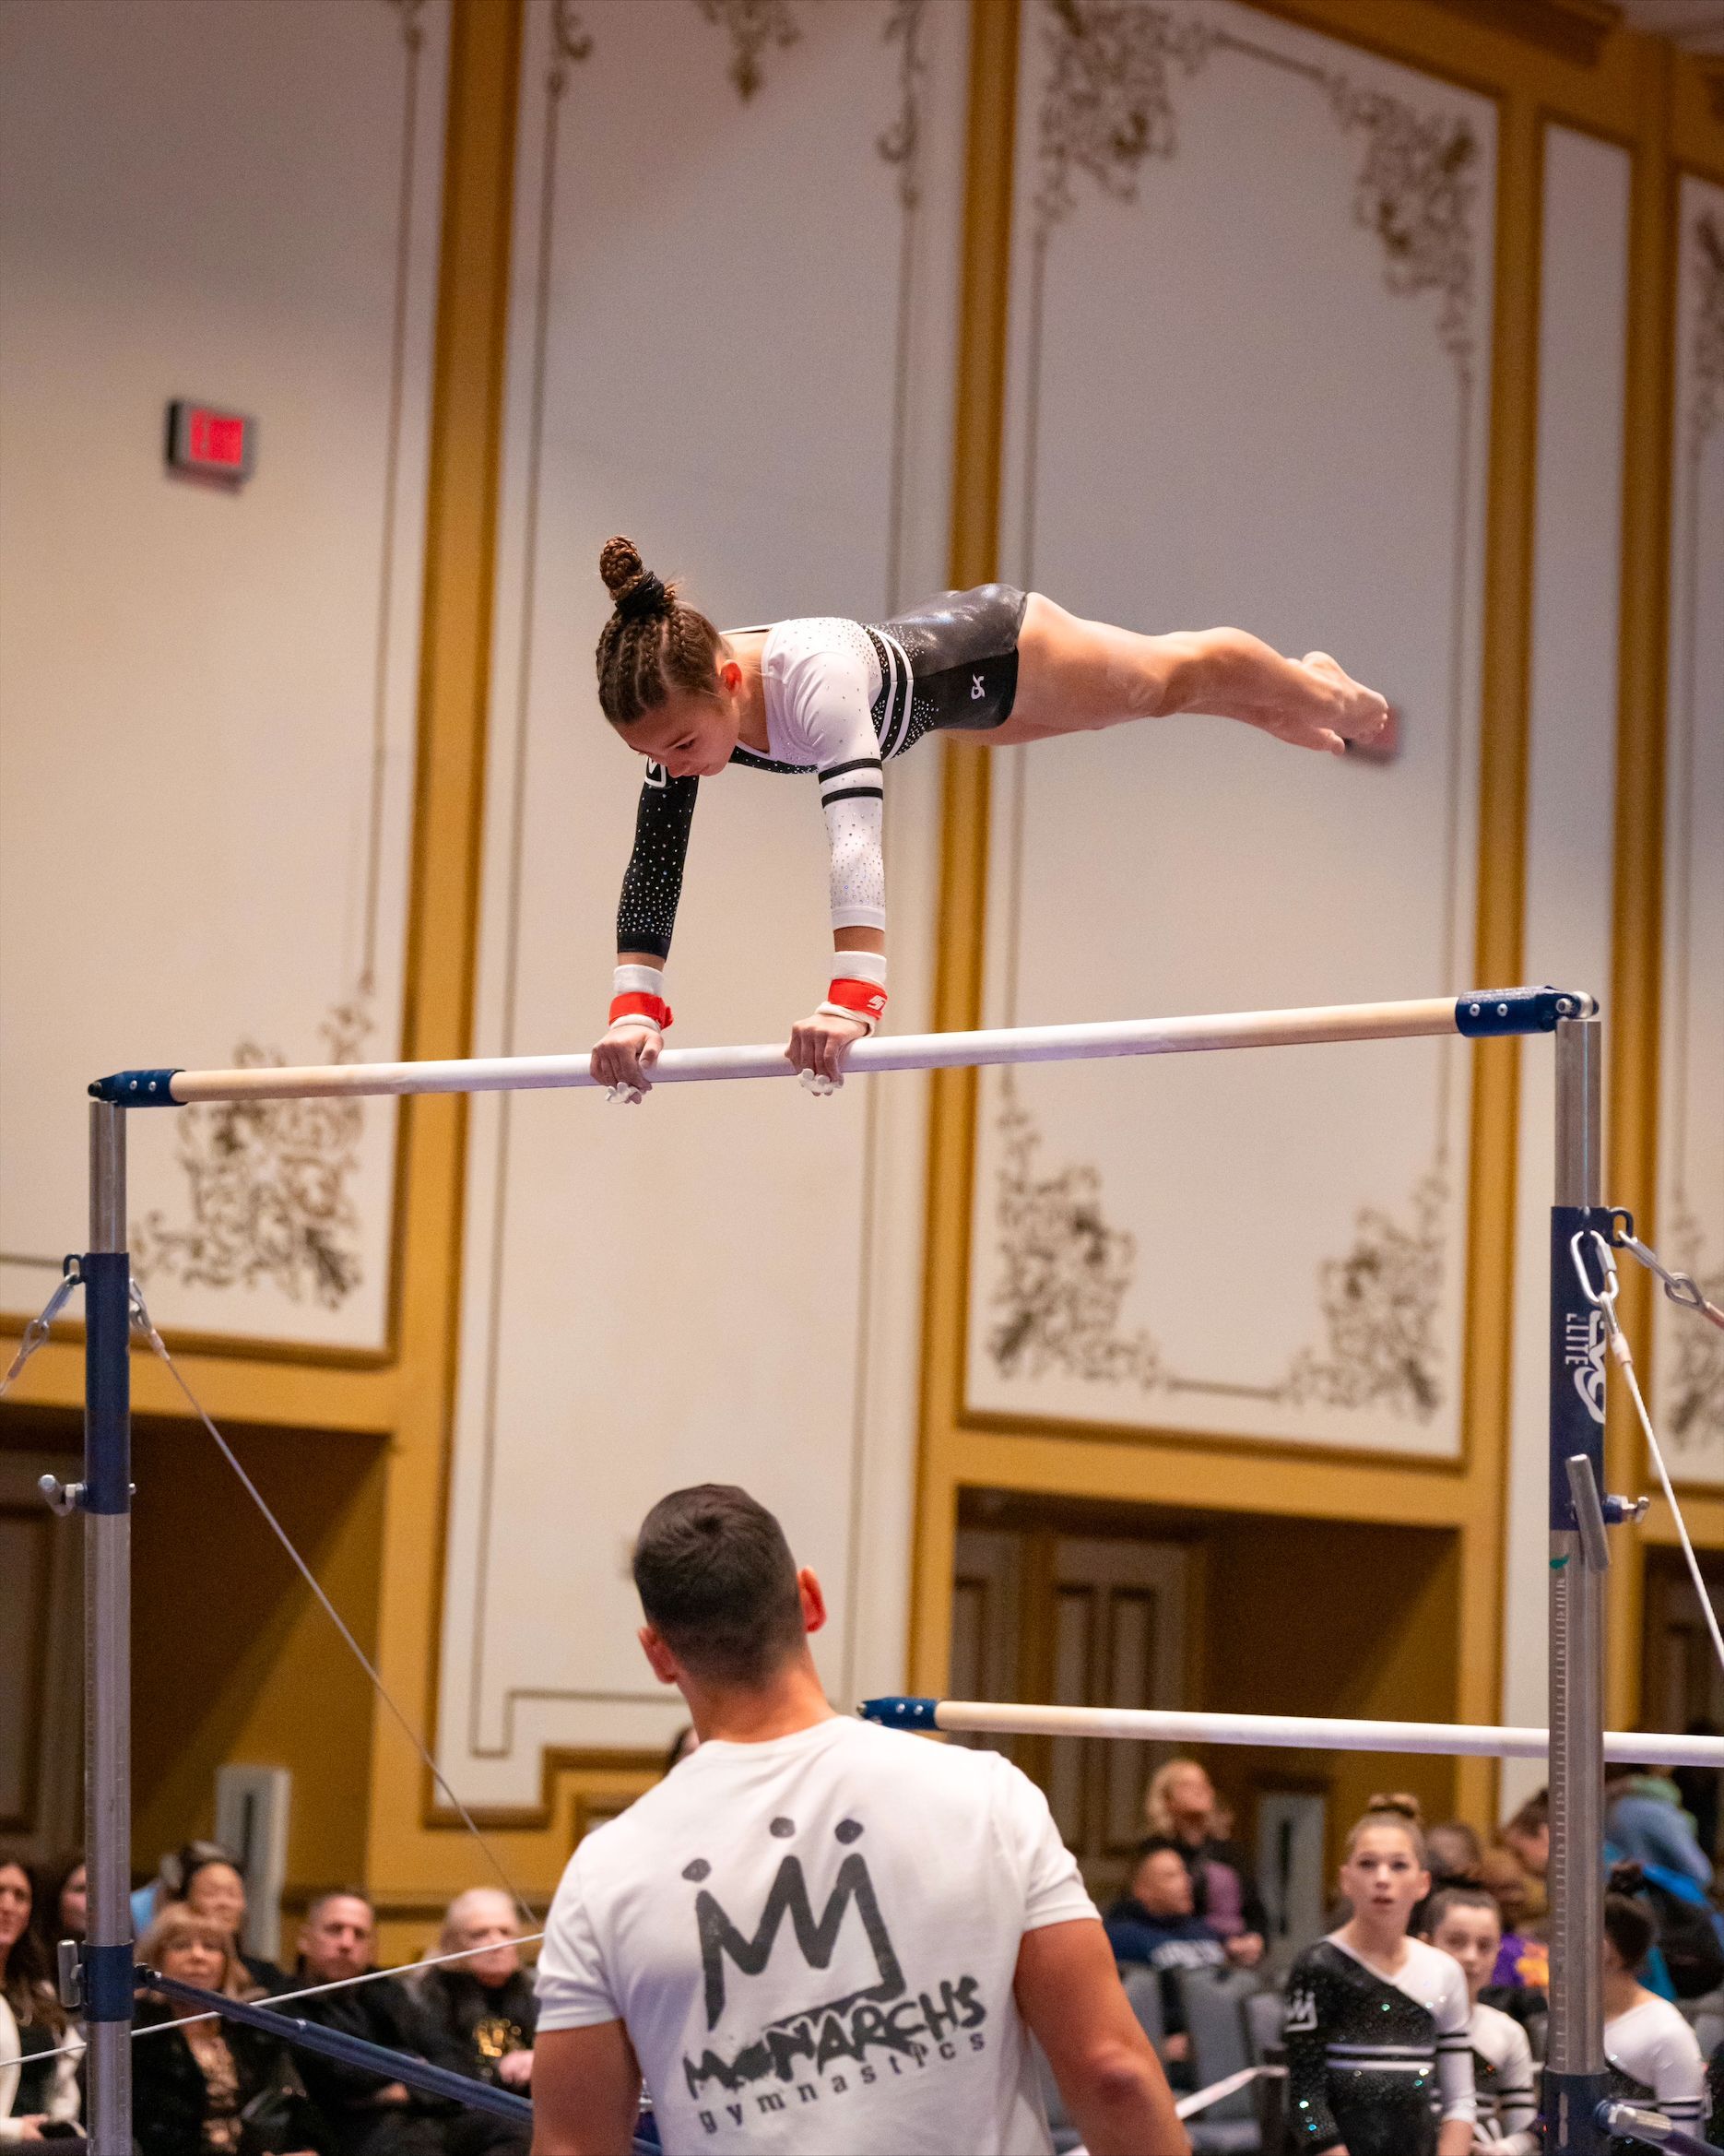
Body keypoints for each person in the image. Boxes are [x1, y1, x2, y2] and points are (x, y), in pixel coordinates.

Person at [585, 540, 1391, 1099]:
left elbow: (856, 839)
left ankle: (1321, 690)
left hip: (1004, 652)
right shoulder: (681, 714)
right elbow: (654, 862)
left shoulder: (814, 682)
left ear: (731, 678)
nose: (676, 763)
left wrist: (852, 997)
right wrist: (632, 1009)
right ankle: (1271, 710)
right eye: (654, 753)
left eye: (685, 743)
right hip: (961, 708)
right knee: (1138, 711)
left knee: (1170, 674)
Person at [531, 1483, 1187, 2155]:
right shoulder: (986, 1796)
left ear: (658, 1653)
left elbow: (571, 2148)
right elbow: (1112, 2073)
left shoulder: (605, 1871)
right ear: (810, 1601)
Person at [1282, 1795, 1475, 2156]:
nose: (1382, 1879)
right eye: (1367, 1864)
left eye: (1399, 1866)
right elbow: (1306, 2099)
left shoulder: (1444, 1971)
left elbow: (1460, 2100)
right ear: (1346, 1879)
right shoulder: (1319, 1966)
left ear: (1422, 1883)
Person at [133, 1903, 326, 2156]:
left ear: (227, 1964)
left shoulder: (249, 2029)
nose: (198, 1956)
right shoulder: (134, 2032)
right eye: (181, 1946)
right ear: (156, 1960)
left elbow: (291, 2107)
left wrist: (303, 2149)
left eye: (211, 1947)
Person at [290, 1891, 463, 2156]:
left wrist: (409, 2092)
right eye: (335, 1930)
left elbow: (453, 2058)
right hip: (344, 2130)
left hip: (421, 2113)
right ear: (305, 1939)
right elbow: (340, 2073)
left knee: (507, 2127)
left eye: (359, 1934)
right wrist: (411, 2060)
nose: (346, 1943)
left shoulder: (387, 1991)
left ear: (371, 1949)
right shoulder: (284, 2001)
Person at [1420, 1886, 1537, 2152]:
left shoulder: (1507, 2032)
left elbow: (1528, 2128)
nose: (1471, 1957)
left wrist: (1502, 2150)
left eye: (1485, 1946)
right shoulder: (1399, 2023)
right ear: (1425, 1944)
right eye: (1456, 1942)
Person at [1102, 1840, 1227, 2083]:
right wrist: (1156, 2043)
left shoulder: (1202, 1930)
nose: (1186, 1882)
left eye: (1184, 1873)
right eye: (1171, 1876)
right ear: (1142, 1889)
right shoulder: (1122, 1937)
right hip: (1164, 2061)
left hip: (1218, 2051)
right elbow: (1106, 2006)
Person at [1600, 1890, 1706, 2151]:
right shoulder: (1568, 2023)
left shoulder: (1666, 2031)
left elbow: (1683, 2144)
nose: (1553, 1953)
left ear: (1607, 1952)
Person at [412, 1889, 536, 2101]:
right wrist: (498, 2069)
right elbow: (443, 2067)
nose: (497, 1944)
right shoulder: (427, 1995)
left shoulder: (536, 1989)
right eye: (480, 1934)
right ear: (451, 1944)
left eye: (506, 1932)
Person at [1140, 1759, 1267, 1967]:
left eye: (1204, 1784)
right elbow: (1152, 1912)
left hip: (1241, 1959)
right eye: (1188, 1785)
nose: (1201, 1790)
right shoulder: (1155, 1850)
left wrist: (1256, 1939)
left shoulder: (1231, 1851)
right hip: (1185, 1959)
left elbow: (1255, 1911)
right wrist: (1219, 1945)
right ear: (1167, 1798)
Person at [0, 1852, 80, 2143]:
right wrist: (13, 2132)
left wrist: (62, 2129)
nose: (8, 1906)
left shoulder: (39, 1990)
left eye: (20, 1897)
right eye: (0, 1892)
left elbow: (61, 2088)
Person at [176, 1848, 290, 1996]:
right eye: (211, 1893)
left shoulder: (266, 1976)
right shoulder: (174, 1967)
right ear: (186, 1901)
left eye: (233, 1894)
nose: (224, 1903)